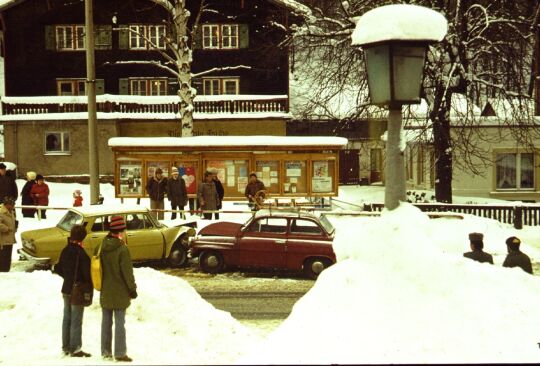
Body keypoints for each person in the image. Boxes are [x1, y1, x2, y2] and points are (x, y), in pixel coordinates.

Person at [97, 215, 137, 362]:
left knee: (106, 321)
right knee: (120, 323)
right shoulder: (122, 249)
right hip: (120, 291)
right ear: (121, 231)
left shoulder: (101, 245)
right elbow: (128, 273)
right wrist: (132, 289)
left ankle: (105, 351)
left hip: (105, 289)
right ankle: (120, 353)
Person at [54, 224, 92, 357]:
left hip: (66, 288)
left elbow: (58, 268)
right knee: (76, 319)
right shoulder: (81, 253)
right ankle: (75, 348)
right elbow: (87, 274)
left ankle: (66, 346)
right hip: (78, 290)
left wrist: (68, 276)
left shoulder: (66, 249)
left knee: (67, 318)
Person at [0, 196, 17, 272]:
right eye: (12, 204)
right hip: (2, 240)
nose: (13, 206)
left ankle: (6, 269)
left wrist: (15, 226)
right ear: (7, 204)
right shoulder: (1, 212)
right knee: (3, 256)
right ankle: (3, 270)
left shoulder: (11, 211)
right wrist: (6, 229)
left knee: (8, 256)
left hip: (10, 238)